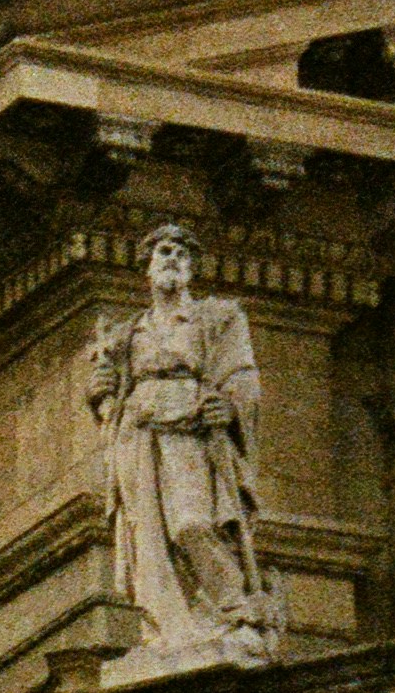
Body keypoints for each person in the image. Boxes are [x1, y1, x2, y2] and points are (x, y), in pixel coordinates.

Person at [86, 226, 277, 653]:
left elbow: (241, 374)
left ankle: (236, 609)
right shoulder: (129, 332)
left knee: (192, 523)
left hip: (190, 426)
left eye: (180, 254)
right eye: (163, 252)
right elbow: (108, 390)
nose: (171, 258)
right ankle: (171, 629)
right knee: (148, 537)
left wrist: (230, 406)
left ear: (191, 268)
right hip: (138, 433)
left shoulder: (216, 317)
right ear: (148, 268)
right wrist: (99, 393)